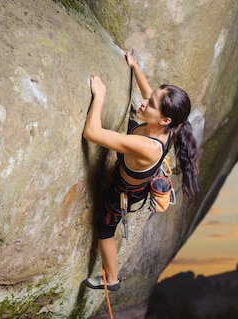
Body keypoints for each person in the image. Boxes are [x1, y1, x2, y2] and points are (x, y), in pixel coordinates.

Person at [83, 51, 200, 291]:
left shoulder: (147, 146)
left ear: (165, 120)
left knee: (105, 229)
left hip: (123, 191)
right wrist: (134, 67)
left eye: (151, 104)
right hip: (129, 172)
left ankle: (112, 280)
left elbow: (92, 133)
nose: (143, 102)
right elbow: (148, 92)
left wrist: (100, 96)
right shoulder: (170, 126)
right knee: (135, 121)